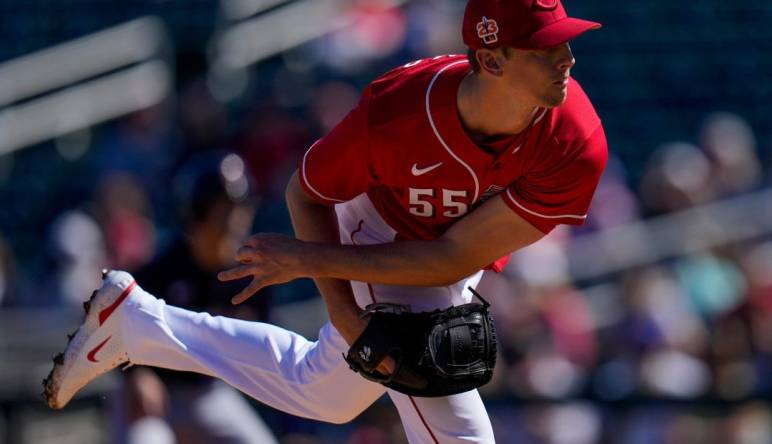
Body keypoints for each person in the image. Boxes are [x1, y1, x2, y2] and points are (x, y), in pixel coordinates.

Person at [44, 1, 608, 442]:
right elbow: (306, 192)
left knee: (328, 396)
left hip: (444, 247)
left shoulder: (575, 139)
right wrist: (345, 310)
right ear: (490, 59)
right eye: (544, 47)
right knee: (460, 430)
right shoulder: (397, 113)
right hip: (376, 225)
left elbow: (454, 259)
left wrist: (310, 262)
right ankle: (137, 324)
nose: (566, 58)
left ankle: (138, 322)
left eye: (564, 41)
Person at [114, 152, 277, 444]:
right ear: (197, 212)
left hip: (207, 393)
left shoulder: (254, 275)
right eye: (223, 210)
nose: (234, 221)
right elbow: (110, 323)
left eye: (240, 210)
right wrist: (136, 375)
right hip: (153, 395)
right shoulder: (161, 270)